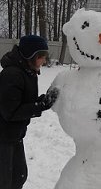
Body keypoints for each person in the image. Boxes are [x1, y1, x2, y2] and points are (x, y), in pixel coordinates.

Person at [0, 35, 58, 189]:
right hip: (3, 137)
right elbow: (10, 112)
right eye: (41, 56)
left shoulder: (27, 71)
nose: (44, 60)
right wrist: (40, 106)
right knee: (5, 182)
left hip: (14, 135)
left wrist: (41, 101)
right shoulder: (12, 74)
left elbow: (22, 101)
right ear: (29, 56)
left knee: (19, 176)